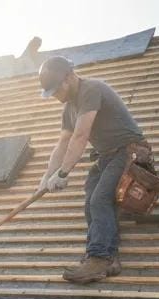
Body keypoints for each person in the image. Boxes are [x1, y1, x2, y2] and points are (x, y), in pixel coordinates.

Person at [37, 56, 152, 284]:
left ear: (69, 77)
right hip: (108, 155)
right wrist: (46, 176)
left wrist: (63, 173)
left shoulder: (91, 90)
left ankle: (100, 259)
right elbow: (62, 145)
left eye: (56, 90)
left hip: (130, 151)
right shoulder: (69, 108)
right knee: (91, 196)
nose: (56, 97)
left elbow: (81, 136)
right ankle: (103, 255)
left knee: (100, 199)